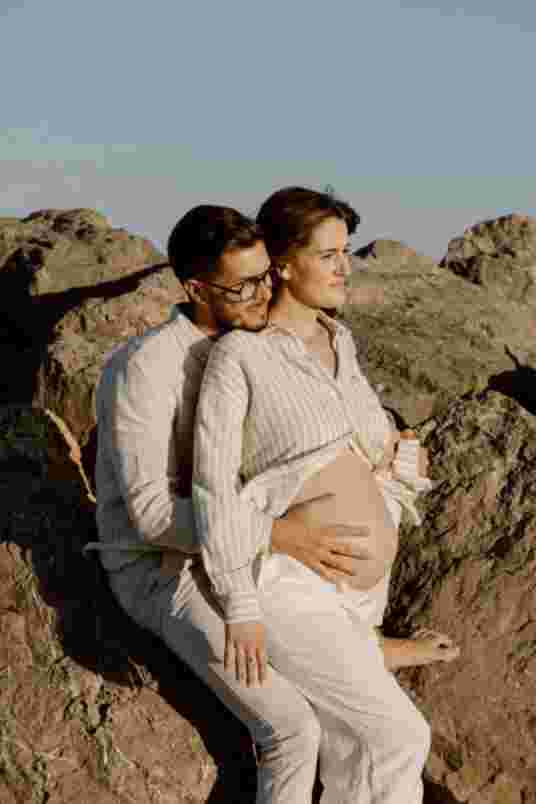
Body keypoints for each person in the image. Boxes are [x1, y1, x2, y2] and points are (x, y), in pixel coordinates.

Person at [91, 204, 392, 804]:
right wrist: (276, 535)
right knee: (292, 728)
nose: (263, 293)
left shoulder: (259, 346)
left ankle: (370, 646)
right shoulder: (144, 369)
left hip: (243, 551)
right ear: (196, 288)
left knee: (361, 717)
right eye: (242, 285)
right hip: (163, 568)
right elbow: (150, 515)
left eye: (265, 275)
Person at [191, 187, 459, 803]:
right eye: (329, 254)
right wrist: (240, 606)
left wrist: (401, 459)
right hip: (289, 588)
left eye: (347, 253)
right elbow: (212, 487)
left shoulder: (343, 344)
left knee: (359, 755)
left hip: (357, 602)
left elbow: (383, 455)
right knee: (396, 737)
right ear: (283, 263)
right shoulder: (242, 356)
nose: (345, 267)